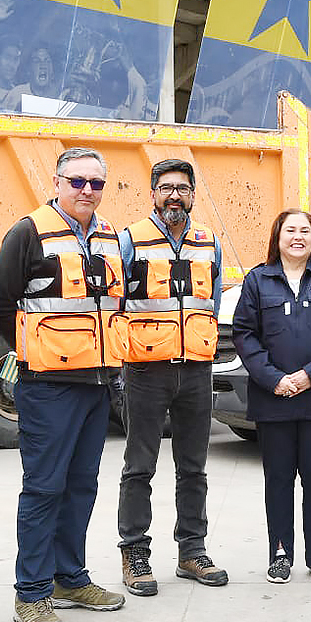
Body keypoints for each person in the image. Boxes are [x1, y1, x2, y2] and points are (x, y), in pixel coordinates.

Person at [0, 147, 126, 622]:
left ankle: (70, 578)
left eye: (96, 183)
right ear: (57, 181)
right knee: (44, 487)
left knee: (81, 486)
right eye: (77, 182)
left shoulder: (111, 237)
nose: (86, 191)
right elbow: (2, 303)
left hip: (97, 384)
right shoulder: (27, 232)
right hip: (48, 386)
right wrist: (34, 353)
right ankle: (31, 594)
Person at [115, 159, 227, 597]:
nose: (174, 195)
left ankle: (191, 550)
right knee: (139, 465)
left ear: (193, 194)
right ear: (152, 194)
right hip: (145, 369)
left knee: (194, 467)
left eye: (182, 188)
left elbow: (211, 303)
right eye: (166, 188)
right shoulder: (130, 241)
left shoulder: (208, 243)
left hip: (197, 369)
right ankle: (135, 552)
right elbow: (118, 302)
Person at [231, 210, 311, 584]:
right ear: (277, 237)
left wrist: (308, 376)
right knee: (279, 480)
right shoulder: (258, 280)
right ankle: (279, 553)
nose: (298, 237)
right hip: (275, 400)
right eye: (291, 230)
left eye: (306, 231)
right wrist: (274, 379)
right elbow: (244, 335)